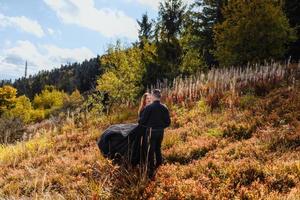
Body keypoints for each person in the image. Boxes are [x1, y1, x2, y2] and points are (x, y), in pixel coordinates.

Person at [138, 89, 171, 178]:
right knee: (158, 148)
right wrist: (160, 126)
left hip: (151, 132)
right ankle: (160, 166)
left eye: (151, 96)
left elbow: (141, 121)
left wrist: (148, 124)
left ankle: (151, 171)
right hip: (160, 132)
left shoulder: (149, 108)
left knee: (150, 151)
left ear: (153, 96)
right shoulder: (164, 107)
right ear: (160, 97)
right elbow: (168, 122)